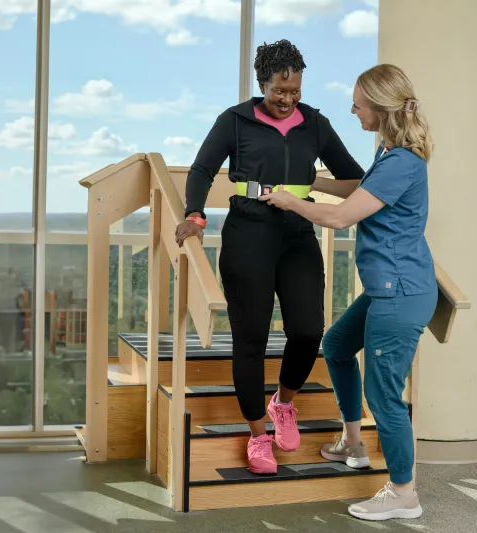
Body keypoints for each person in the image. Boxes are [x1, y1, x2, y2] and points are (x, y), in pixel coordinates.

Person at [175, 39, 365, 474]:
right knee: (251, 340)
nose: (287, 99)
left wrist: (312, 187)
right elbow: (203, 169)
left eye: (294, 91)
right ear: (263, 83)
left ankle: (283, 403)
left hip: (298, 234)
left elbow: (352, 175)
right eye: (279, 91)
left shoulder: (314, 123)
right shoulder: (235, 120)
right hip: (248, 234)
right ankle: (258, 435)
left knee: (306, 330)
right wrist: (195, 215)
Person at [260, 63, 436, 521]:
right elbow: (359, 188)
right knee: (337, 345)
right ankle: (353, 444)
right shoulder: (390, 151)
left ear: (379, 105)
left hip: (401, 294)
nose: (352, 109)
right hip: (388, 288)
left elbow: (342, 217)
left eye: (358, 102)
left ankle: (404, 492)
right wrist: (312, 180)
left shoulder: (401, 161)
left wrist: (292, 201)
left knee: (384, 397)